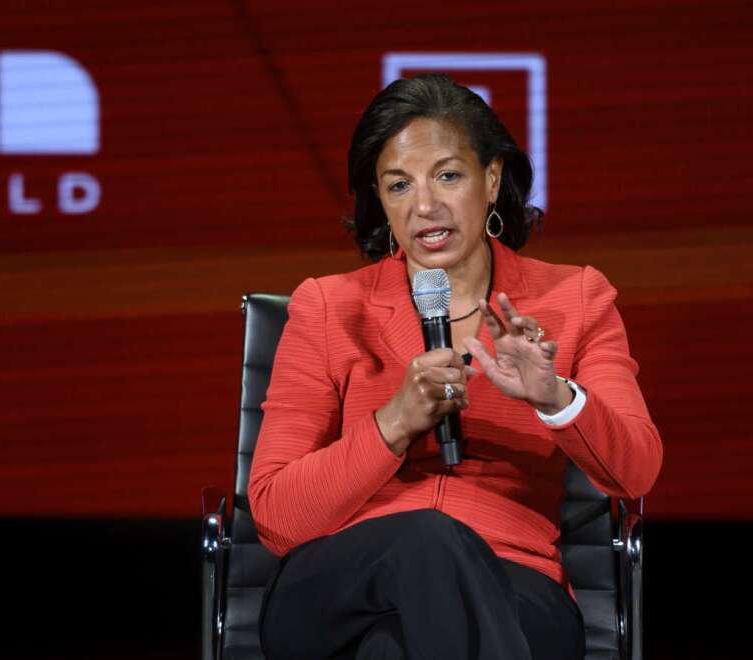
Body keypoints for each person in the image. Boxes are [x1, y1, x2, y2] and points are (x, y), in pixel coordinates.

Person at [248, 73, 662, 660]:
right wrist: (394, 423)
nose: (424, 205)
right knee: (429, 539)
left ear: (491, 179)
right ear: (379, 199)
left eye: (447, 175)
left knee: (393, 649)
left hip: (512, 581)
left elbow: (636, 471)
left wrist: (554, 396)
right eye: (399, 184)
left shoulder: (575, 299)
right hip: (343, 582)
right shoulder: (328, 307)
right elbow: (277, 517)